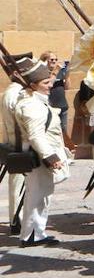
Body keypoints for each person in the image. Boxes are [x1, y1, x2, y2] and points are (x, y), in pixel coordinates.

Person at [14, 58, 71, 247]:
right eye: (45, 83)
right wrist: (51, 157)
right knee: (37, 195)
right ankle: (30, 235)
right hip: (39, 157)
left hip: (41, 156)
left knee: (42, 195)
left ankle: (37, 233)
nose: (50, 85)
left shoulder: (36, 101)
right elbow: (36, 136)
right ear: (33, 85)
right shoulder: (31, 105)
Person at [2, 52, 33, 237]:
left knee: (16, 183)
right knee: (22, 184)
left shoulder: (10, 92)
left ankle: (16, 219)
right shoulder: (18, 94)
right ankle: (19, 220)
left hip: (14, 144)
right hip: (23, 146)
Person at [40, 52, 69, 134]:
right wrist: (55, 71)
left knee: (64, 133)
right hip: (51, 109)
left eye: (56, 59)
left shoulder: (59, 71)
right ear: (45, 61)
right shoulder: (42, 73)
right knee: (51, 133)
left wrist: (67, 74)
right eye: (52, 59)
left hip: (62, 107)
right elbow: (49, 84)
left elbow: (67, 87)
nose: (54, 61)